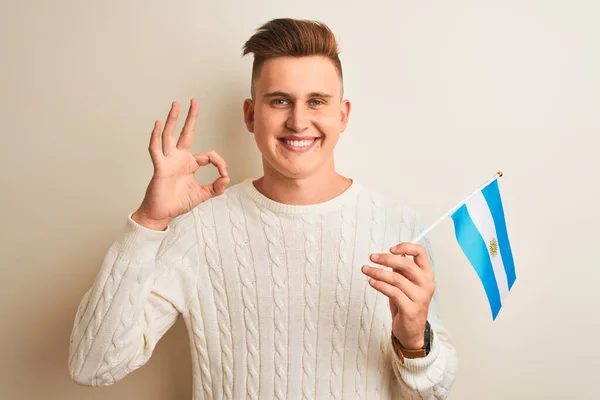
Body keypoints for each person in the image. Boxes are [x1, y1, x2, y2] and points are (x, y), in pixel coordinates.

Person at [68, 18, 458, 399]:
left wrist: (413, 340)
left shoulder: (400, 226)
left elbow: (432, 395)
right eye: (280, 101)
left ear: (342, 115)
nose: (299, 120)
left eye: (316, 102)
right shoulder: (200, 229)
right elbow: (92, 366)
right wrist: (149, 222)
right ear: (251, 116)